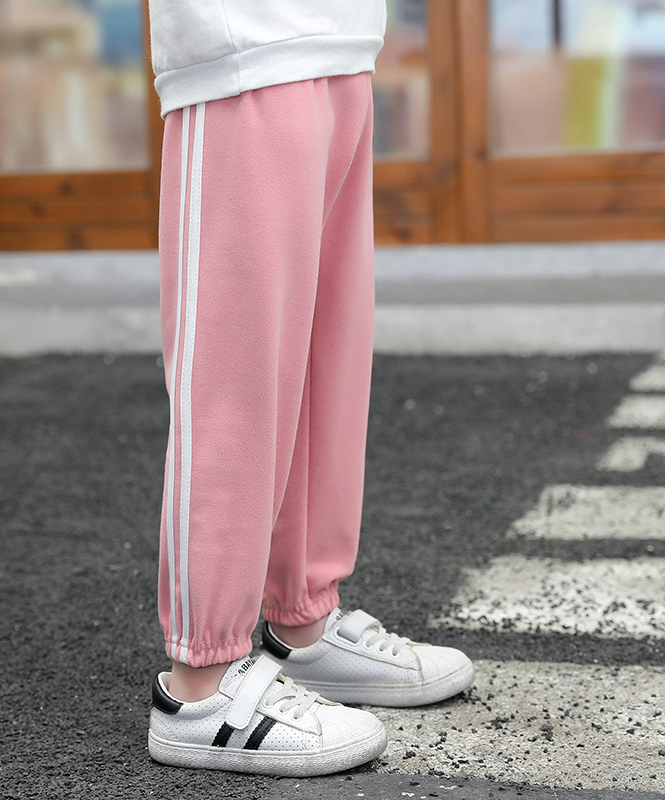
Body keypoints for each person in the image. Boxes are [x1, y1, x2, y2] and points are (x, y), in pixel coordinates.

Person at [146, 0, 474, 777]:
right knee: (238, 377)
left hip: (341, 38)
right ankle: (201, 684)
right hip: (239, 45)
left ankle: (303, 624)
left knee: (328, 364)